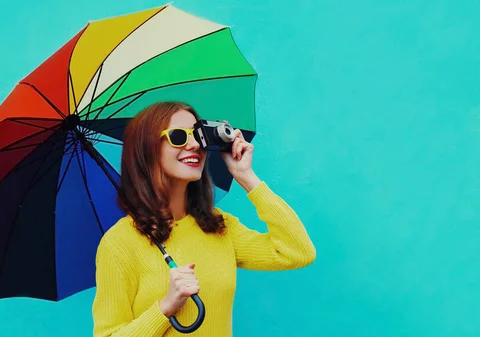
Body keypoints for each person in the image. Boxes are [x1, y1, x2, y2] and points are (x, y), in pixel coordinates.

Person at [92, 102, 316, 337]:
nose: (195, 145)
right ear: (146, 150)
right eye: (178, 136)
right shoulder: (119, 243)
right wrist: (166, 307)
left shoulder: (219, 226)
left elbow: (298, 252)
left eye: (198, 135)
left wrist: (246, 177)